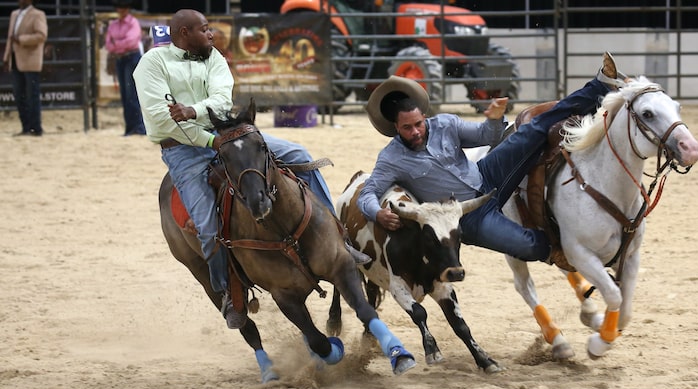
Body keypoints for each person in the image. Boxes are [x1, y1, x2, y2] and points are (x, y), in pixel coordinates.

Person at [133, 9, 364, 329]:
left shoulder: (212, 57)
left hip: (228, 135)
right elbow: (161, 120)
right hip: (185, 152)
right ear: (184, 33)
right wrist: (208, 140)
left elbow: (222, 104)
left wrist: (193, 111)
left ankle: (339, 237)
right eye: (205, 29)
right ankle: (230, 293)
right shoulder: (152, 65)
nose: (211, 34)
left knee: (300, 154)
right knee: (206, 226)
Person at [358, 52, 627, 264]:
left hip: (486, 174)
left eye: (418, 123)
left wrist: (494, 119)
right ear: (396, 128)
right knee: (532, 248)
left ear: (424, 117)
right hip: (466, 216)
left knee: (534, 129)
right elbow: (367, 193)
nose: (415, 131)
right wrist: (378, 213)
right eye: (407, 128)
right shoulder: (391, 158)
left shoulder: (445, 124)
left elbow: (487, 136)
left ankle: (598, 89)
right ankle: (562, 246)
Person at [2, 0, 48, 137]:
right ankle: (26, 127)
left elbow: (41, 35)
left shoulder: (38, 15)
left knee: (31, 94)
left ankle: (36, 127)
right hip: (16, 58)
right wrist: (6, 57)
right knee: (19, 94)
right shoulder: (14, 14)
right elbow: (10, 38)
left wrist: (22, 39)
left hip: (30, 59)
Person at [104, 0, 146, 136]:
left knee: (131, 94)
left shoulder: (133, 23)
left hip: (130, 58)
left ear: (127, 9)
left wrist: (117, 44)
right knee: (126, 94)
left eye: (123, 7)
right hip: (122, 58)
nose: (121, 10)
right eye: (119, 7)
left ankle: (138, 127)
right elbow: (109, 44)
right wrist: (120, 45)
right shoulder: (115, 24)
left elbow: (131, 41)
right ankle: (130, 127)